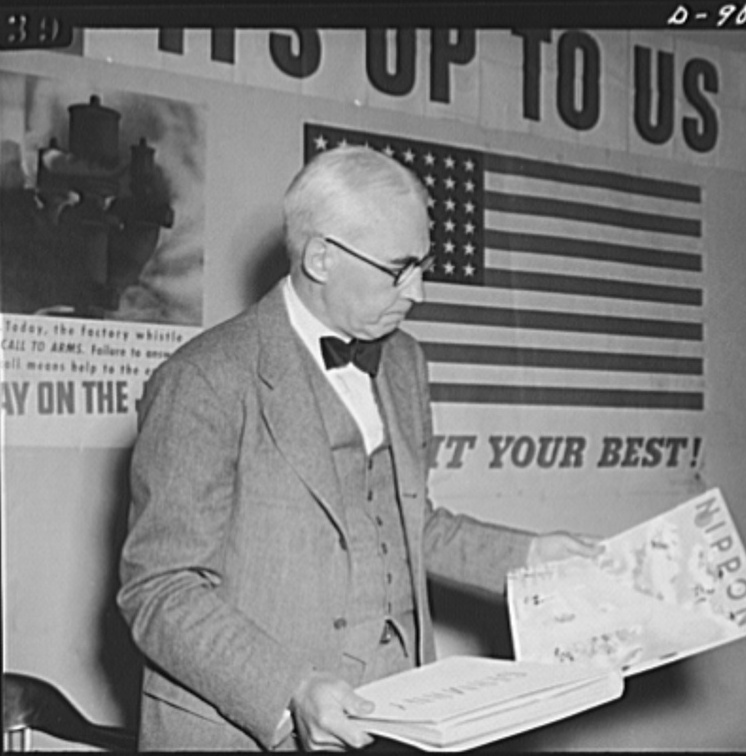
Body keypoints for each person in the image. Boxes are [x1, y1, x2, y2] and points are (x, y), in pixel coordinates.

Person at [117, 145, 600, 751]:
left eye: (423, 264)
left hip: (398, 719)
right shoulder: (204, 380)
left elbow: (402, 524)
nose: (418, 292)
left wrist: (531, 557)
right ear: (320, 257)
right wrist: (290, 688)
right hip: (248, 730)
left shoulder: (404, 360)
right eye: (400, 268)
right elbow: (160, 590)